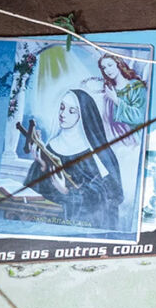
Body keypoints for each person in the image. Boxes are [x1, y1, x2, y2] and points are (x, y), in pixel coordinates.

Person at [21, 88, 123, 229]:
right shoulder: (52, 146)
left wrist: (66, 191)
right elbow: (38, 190)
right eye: (62, 108)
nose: (63, 114)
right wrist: (42, 165)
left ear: (82, 116)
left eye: (71, 111)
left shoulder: (96, 152)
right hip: (51, 221)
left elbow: (110, 195)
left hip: (84, 225)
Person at [95, 53, 147, 145]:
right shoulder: (108, 92)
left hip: (135, 140)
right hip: (115, 142)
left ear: (119, 64)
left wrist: (116, 100)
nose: (107, 70)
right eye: (104, 68)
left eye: (110, 65)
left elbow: (139, 117)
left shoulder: (136, 86)